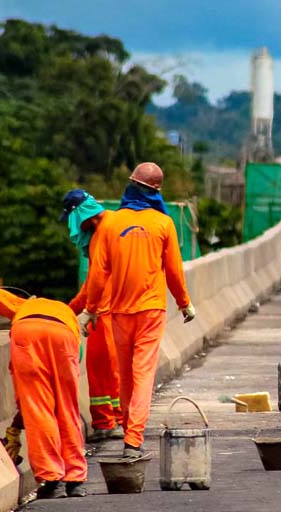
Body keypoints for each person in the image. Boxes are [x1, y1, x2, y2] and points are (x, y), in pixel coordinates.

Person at [81, 162, 196, 459]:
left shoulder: (110, 224)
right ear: (156, 192)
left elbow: (97, 274)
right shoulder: (163, 224)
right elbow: (173, 271)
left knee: (126, 374)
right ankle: (133, 438)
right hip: (151, 311)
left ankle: (126, 425)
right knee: (143, 374)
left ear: (130, 186)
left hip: (118, 311)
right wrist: (184, 303)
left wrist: (91, 309)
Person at [0, 285, 87, 499]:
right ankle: (75, 480)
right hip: (64, 335)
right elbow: (75, 357)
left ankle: (51, 478)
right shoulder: (65, 310)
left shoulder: (23, 305)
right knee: (67, 408)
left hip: (27, 333)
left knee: (37, 407)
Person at [60, 189, 124, 441]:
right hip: (122, 309)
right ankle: (118, 417)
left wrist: (89, 311)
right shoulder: (117, 222)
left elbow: (96, 282)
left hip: (103, 313)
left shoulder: (102, 234)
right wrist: (67, 310)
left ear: (79, 214)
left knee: (100, 369)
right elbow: (91, 285)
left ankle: (105, 422)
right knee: (115, 369)